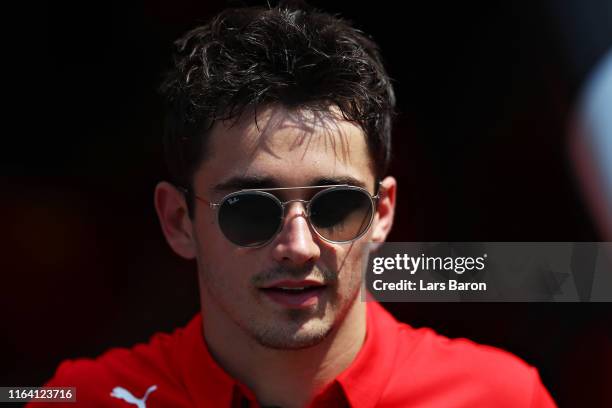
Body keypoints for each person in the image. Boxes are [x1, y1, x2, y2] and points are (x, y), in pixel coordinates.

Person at [35, 3, 556, 407]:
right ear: (178, 220)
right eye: (251, 210)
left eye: (336, 207)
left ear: (383, 213)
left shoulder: (501, 396)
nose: (299, 246)